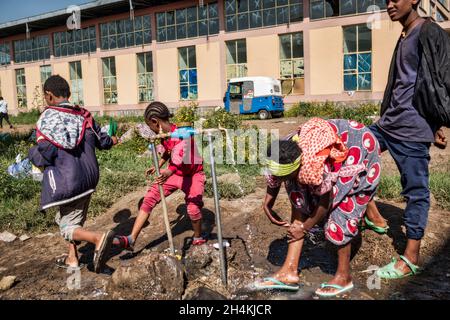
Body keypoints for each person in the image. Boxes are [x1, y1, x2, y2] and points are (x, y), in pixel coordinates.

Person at [256, 118, 385, 297]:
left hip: (358, 147)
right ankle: (289, 271)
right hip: (318, 154)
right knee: (298, 197)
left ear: (298, 168)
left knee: (341, 212)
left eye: (285, 177)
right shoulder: (285, 148)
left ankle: (343, 276)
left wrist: (305, 227)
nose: (280, 181)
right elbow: (275, 176)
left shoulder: (315, 165)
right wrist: (268, 202)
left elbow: (326, 204)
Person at [369, 0, 449, 279]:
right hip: (388, 123)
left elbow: (441, 79)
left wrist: (437, 122)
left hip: (412, 131)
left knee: (416, 192)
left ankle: (411, 257)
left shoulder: (429, 31)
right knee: (353, 152)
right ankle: (376, 217)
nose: (389, 5)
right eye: (386, 0)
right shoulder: (404, 34)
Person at [28, 75, 118, 273]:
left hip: (66, 180)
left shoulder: (46, 119)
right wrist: (112, 140)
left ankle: (98, 238)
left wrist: (31, 154)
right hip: (90, 178)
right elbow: (102, 141)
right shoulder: (83, 115)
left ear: (49, 96)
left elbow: (47, 153)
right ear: (68, 94)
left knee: (67, 227)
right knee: (72, 217)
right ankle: (72, 257)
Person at [114, 101, 206, 250]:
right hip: (175, 173)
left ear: (155, 122)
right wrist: (160, 165)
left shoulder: (182, 133)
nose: (151, 130)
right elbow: (168, 151)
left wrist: (168, 171)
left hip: (193, 174)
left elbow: (182, 156)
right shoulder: (165, 135)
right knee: (150, 197)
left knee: (193, 208)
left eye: (150, 126)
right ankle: (131, 239)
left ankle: (197, 236)